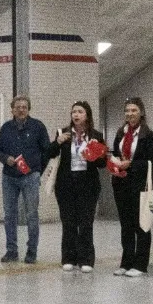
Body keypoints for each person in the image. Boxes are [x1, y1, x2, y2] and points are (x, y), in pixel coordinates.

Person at [108, 97, 153, 278]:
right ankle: (126, 261)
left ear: (141, 113)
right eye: (127, 111)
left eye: (134, 110)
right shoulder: (120, 133)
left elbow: (151, 163)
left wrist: (130, 164)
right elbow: (116, 154)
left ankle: (141, 263)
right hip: (122, 183)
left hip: (141, 185)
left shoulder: (148, 135)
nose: (130, 114)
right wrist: (115, 163)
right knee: (126, 225)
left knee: (142, 224)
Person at [50, 102, 107, 271]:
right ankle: (68, 257)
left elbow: (102, 163)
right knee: (68, 222)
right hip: (66, 183)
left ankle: (86, 259)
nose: (76, 115)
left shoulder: (96, 135)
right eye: (74, 112)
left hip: (88, 184)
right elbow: (49, 153)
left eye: (80, 112)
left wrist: (94, 153)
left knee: (85, 222)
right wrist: (57, 142)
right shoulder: (63, 133)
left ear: (87, 115)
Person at [0, 94, 50, 264]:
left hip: (30, 176)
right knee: (9, 214)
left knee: (32, 214)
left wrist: (38, 170)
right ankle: (11, 250)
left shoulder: (38, 127)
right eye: (18, 107)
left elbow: (46, 150)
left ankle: (32, 251)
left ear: (28, 109)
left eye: (24, 107)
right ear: (12, 109)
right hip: (9, 176)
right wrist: (6, 159)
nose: (21, 110)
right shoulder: (5, 128)